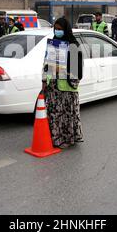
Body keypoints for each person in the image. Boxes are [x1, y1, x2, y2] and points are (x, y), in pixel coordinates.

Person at [42, 17, 84, 149]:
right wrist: (44, 80)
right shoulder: (53, 43)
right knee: (54, 113)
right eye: (56, 28)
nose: (57, 31)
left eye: (60, 29)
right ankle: (55, 139)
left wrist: (64, 71)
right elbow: (46, 63)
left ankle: (68, 138)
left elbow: (77, 68)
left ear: (66, 29)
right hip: (53, 86)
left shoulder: (73, 45)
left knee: (67, 114)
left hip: (67, 87)